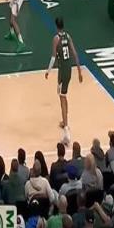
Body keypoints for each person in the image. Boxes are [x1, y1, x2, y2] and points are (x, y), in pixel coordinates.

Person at [45, 17, 83, 145]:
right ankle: (64, 120)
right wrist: (79, 71)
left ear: (56, 26)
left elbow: (53, 57)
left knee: (62, 98)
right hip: (69, 70)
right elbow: (75, 54)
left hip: (62, 72)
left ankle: (66, 131)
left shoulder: (56, 39)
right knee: (63, 95)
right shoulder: (68, 36)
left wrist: (48, 71)